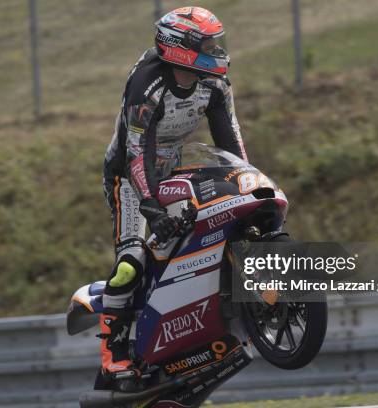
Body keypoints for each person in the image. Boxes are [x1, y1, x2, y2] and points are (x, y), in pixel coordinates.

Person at [99, 6, 248, 381]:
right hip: (130, 179)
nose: (218, 51)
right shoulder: (147, 85)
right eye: (209, 45)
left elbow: (229, 136)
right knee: (131, 263)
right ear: (182, 48)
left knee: (220, 213)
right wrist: (151, 207)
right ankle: (114, 354)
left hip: (176, 168)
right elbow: (136, 151)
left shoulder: (214, 83)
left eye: (218, 43)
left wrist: (248, 179)